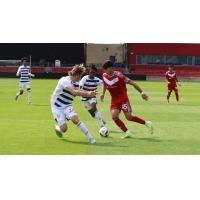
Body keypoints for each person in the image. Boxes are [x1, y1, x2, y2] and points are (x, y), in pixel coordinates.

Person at [101, 61, 153, 138]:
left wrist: (142, 93)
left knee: (129, 117)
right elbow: (105, 84)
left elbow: (133, 83)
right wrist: (103, 93)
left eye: (106, 69)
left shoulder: (120, 76)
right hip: (114, 100)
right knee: (114, 116)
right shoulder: (104, 75)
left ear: (111, 68)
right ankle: (128, 132)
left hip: (123, 99)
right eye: (104, 70)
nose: (104, 71)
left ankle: (147, 123)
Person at [50, 64, 96, 144]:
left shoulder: (76, 84)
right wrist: (88, 94)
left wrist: (89, 93)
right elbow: (74, 92)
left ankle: (91, 138)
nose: (80, 78)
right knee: (64, 129)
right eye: (80, 75)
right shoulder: (64, 80)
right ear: (77, 74)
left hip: (67, 105)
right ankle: (58, 127)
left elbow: (80, 91)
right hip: (57, 106)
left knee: (75, 120)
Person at [79, 65, 106, 129]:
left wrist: (103, 93)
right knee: (92, 114)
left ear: (95, 73)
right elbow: (80, 86)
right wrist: (81, 92)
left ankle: (102, 126)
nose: (92, 73)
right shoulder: (85, 78)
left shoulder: (97, 80)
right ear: (89, 72)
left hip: (92, 97)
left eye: (93, 72)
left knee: (94, 108)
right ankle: (101, 120)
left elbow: (105, 84)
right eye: (91, 72)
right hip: (84, 98)